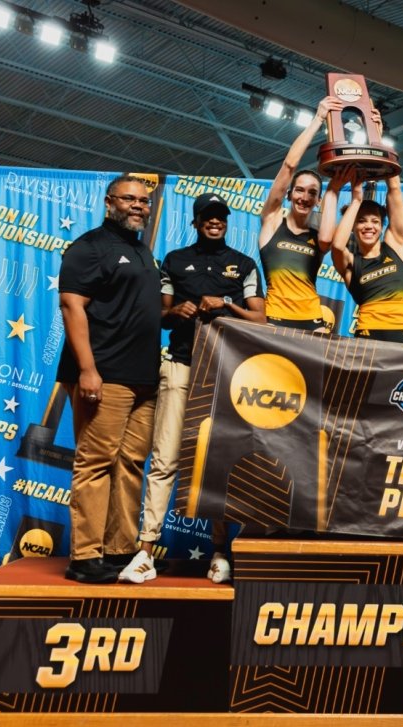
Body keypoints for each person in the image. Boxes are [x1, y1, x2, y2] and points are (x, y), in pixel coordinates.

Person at [119, 193, 265, 585]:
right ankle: (145, 551)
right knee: (165, 460)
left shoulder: (245, 264)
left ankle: (220, 550)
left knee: (218, 465)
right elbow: (159, 315)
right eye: (208, 217)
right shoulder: (174, 260)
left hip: (227, 374)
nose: (215, 222)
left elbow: (260, 319)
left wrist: (227, 303)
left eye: (220, 217)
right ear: (196, 221)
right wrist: (176, 312)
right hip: (181, 365)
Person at [57, 174, 162, 584]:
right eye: (129, 199)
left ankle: (119, 551)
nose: (138, 206)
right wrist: (87, 370)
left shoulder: (142, 251)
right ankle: (85, 557)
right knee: (95, 463)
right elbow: (71, 306)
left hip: (143, 379)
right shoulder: (89, 247)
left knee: (132, 464)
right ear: (109, 201)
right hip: (104, 375)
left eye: (144, 201)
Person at [258, 96, 343, 332]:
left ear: (318, 200)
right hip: (274, 319)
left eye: (312, 193)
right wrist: (318, 119)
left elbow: (328, 239)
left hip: (312, 322)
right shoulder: (272, 221)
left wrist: (336, 186)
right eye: (299, 190)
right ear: (289, 194)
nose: (304, 197)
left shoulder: (320, 232)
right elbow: (289, 166)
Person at [321, 166, 403, 343]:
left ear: (381, 227)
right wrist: (356, 200)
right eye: (361, 221)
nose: (369, 226)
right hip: (368, 337)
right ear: (352, 226)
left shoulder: (394, 245)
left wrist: (381, 151)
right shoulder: (350, 263)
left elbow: (394, 189)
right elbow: (337, 245)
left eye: (375, 221)